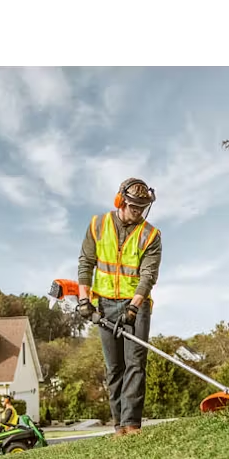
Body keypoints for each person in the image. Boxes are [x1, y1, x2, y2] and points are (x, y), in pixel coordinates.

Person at [77, 178, 162, 437]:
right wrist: (84, 300)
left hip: (136, 306)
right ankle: (118, 427)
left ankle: (132, 424)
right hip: (103, 304)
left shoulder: (151, 235)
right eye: (134, 206)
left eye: (142, 208)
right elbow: (86, 263)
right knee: (114, 367)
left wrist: (133, 307)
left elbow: (148, 276)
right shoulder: (98, 225)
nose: (138, 212)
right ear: (120, 201)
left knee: (135, 363)